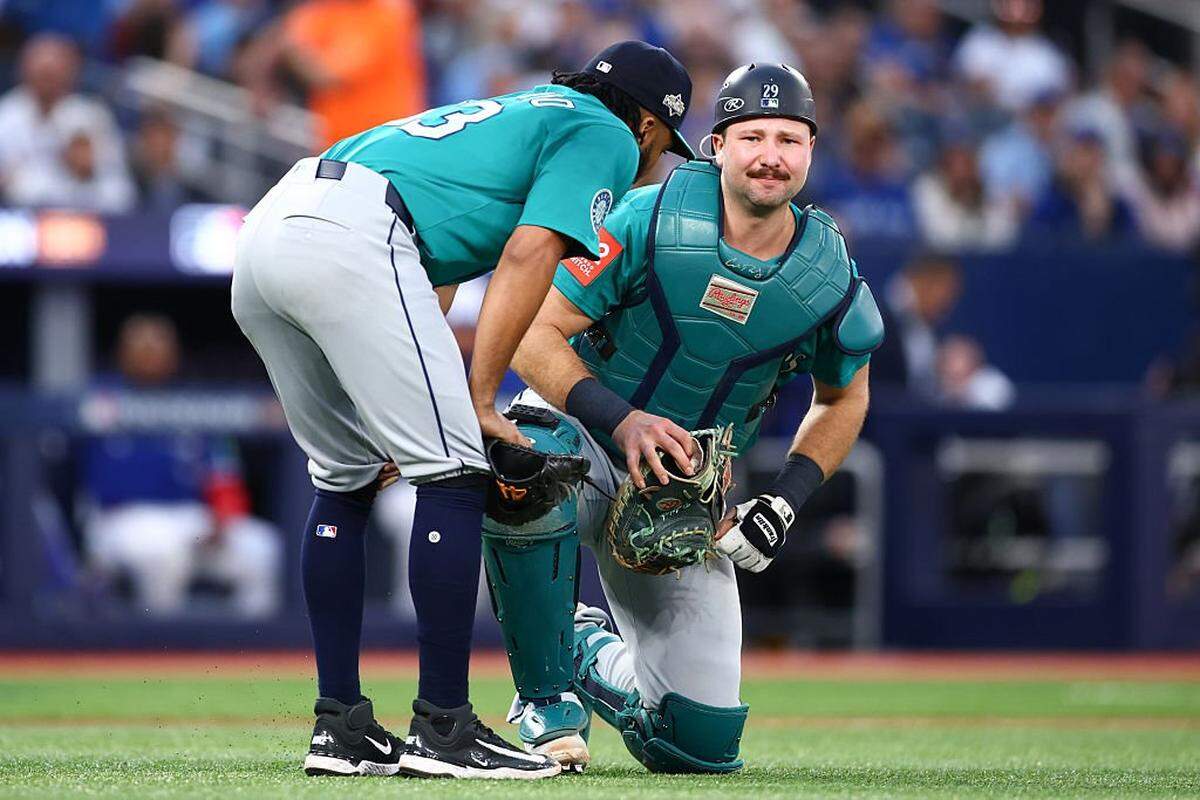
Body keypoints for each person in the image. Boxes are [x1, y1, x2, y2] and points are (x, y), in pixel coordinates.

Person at [231, 40, 694, 779]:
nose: (659, 162)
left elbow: (425, 276)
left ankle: (340, 727)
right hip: (357, 236)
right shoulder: (605, 131)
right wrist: (477, 398)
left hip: (270, 230)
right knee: (455, 472)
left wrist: (409, 403)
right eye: (667, 147)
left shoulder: (520, 112)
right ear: (648, 125)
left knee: (347, 477)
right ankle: (445, 726)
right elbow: (530, 254)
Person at [482, 64, 880, 773]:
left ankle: (582, 649)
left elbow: (844, 396)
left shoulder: (828, 274)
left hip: (683, 488)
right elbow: (536, 332)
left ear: (812, 150)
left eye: (789, 138)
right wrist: (624, 418)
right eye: (752, 135)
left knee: (698, 742)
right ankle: (545, 697)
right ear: (717, 146)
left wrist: (785, 500)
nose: (771, 155)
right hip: (587, 434)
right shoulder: (647, 213)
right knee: (526, 466)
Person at [82, 315, 281, 617]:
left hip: (191, 519)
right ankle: (159, 652)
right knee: (164, 553)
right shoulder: (99, 400)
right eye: (141, 346)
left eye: (158, 345)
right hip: (123, 519)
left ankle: (248, 654)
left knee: (262, 548)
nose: (150, 353)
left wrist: (223, 517)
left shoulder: (195, 403)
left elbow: (224, 472)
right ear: (122, 353)